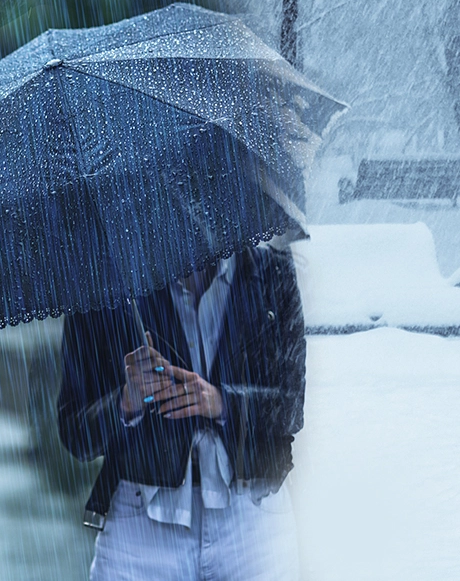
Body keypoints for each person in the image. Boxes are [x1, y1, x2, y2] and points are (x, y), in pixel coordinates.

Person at [58, 243, 306, 580]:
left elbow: (292, 407)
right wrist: (127, 400)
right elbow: (75, 433)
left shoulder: (271, 274)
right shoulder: (101, 287)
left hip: (253, 520)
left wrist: (221, 402)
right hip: (141, 524)